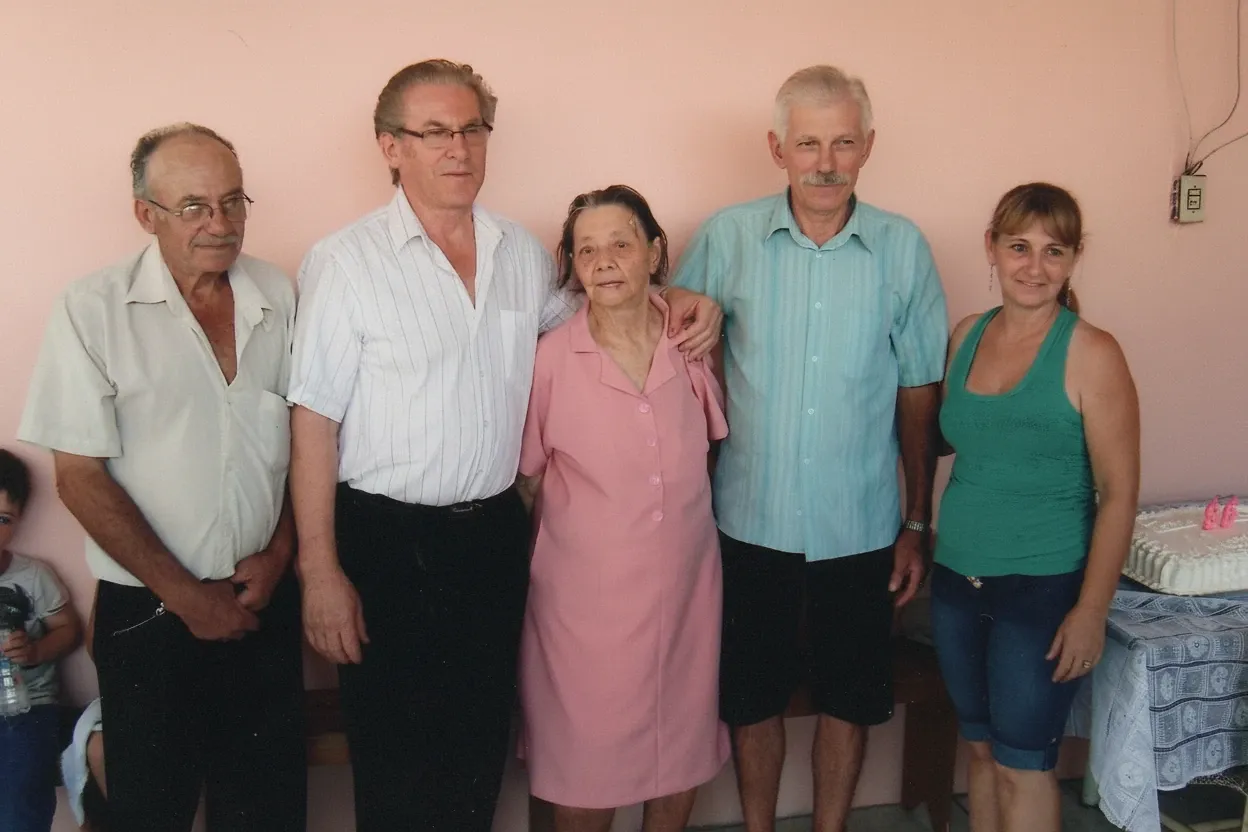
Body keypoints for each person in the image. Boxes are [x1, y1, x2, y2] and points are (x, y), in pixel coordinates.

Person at [289, 59, 721, 832]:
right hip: (386, 540)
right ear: (390, 147)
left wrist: (676, 295)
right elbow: (313, 420)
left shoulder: (518, 252)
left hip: (489, 537)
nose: (459, 148)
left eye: (472, 129)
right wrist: (319, 569)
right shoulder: (344, 262)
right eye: (434, 133)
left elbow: (599, 304)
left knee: (478, 754)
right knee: (395, 763)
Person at [672, 65, 949, 832]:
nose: (825, 162)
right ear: (777, 148)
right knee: (752, 696)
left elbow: (920, 395)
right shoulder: (727, 236)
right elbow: (667, 346)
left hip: (860, 524)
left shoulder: (903, 247)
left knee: (851, 697)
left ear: (868, 147)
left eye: (843, 143)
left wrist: (916, 522)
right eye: (807, 143)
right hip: (746, 519)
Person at [17, 123, 305, 832]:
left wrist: (279, 555)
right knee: (149, 814)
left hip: (262, 601)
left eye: (234, 202)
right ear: (146, 214)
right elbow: (79, 477)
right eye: (195, 206)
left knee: (267, 811)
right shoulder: (92, 310)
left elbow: (302, 443)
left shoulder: (278, 295)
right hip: (148, 613)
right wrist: (186, 597)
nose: (221, 224)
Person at [516, 185, 729, 832]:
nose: (604, 261)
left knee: (681, 755)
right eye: (587, 250)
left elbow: (708, 454)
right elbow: (528, 481)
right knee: (588, 765)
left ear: (655, 252)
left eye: (620, 244)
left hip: (688, 592)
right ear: (573, 268)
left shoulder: (688, 343)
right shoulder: (552, 358)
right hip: (585, 610)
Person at [931, 183, 1139, 832]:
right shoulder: (967, 334)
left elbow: (1119, 494)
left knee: (1026, 764)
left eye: (1054, 251)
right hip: (956, 582)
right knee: (982, 751)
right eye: (1018, 246)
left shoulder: (1092, 353)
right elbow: (951, 439)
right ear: (990, 248)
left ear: (1074, 259)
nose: (1034, 266)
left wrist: (1091, 611)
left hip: (1042, 590)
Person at [0, 449, 83, 832]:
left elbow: (69, 631)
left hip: (29, 709)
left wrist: (33, 652)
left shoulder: (32, 576)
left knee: (20, 794)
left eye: (2, 519)